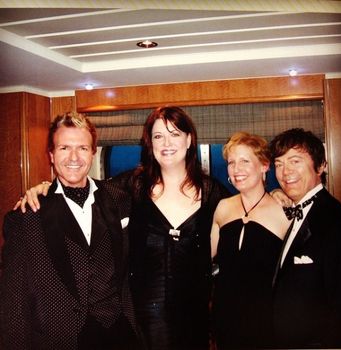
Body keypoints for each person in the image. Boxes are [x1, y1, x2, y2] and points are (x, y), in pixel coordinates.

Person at [13, 106, 231, 350]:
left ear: (190, 139)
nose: (167, 143)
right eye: (159, 136)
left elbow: (244, 220)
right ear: (150, 143)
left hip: (194, 317)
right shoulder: (132, 187)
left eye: (175, 134)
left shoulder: (213, 193)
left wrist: (278, 196)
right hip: (141, 320)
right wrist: (44, 188)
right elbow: (81, 184)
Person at [0, 112, 141, 350]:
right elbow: (13, 300)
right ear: (51, 155)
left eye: (83, 148)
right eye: (64, 148)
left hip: (119, 331)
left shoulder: (120, 200)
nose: (74, 157)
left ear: (93, 152)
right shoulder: (25, 217)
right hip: (58, 336)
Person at [270, 128, 341, 348]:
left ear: (321, 166)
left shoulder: (337, 222)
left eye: (295, 161)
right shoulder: (292, 212)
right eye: (279, 164)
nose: (286, 172)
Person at [210, 131, 290, 349]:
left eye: (245, 161)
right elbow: (202, 260)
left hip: (267, 320)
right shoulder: (223, 207)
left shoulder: (284, 210)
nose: (237, 169)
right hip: (225, 317)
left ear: (264, 166)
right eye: (232, 162)